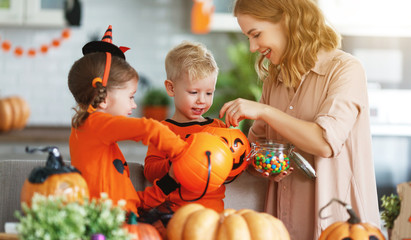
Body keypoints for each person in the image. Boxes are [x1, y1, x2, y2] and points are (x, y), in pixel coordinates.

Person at [219, 0, 381, 239]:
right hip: (281, 225)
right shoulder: (274, 81)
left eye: (256, 34)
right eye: (248, 38)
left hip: (340, 227)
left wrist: (265, 111)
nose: (253, 47)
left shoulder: (345, 70)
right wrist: (258, 162)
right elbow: (253, 154)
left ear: (286, 20)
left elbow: (325, 143)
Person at [68, 25, 189, 215]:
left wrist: (168, 183)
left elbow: (130, 202)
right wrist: (184, 152)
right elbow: (148, 128)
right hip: (110, 225)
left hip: (123, 220)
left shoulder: (91, 133)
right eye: (131, 96)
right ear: (105, 98)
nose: (134, 105)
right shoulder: (94, 124)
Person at [144, 41, 227, 212]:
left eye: (209, 93)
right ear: (171, 88)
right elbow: (150, 172)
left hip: (213, 215)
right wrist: (178, 164)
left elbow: (231, 170)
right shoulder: (162, 130)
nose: (202, 100)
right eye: (194, 92)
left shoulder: (219, 128)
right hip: (174, 215)